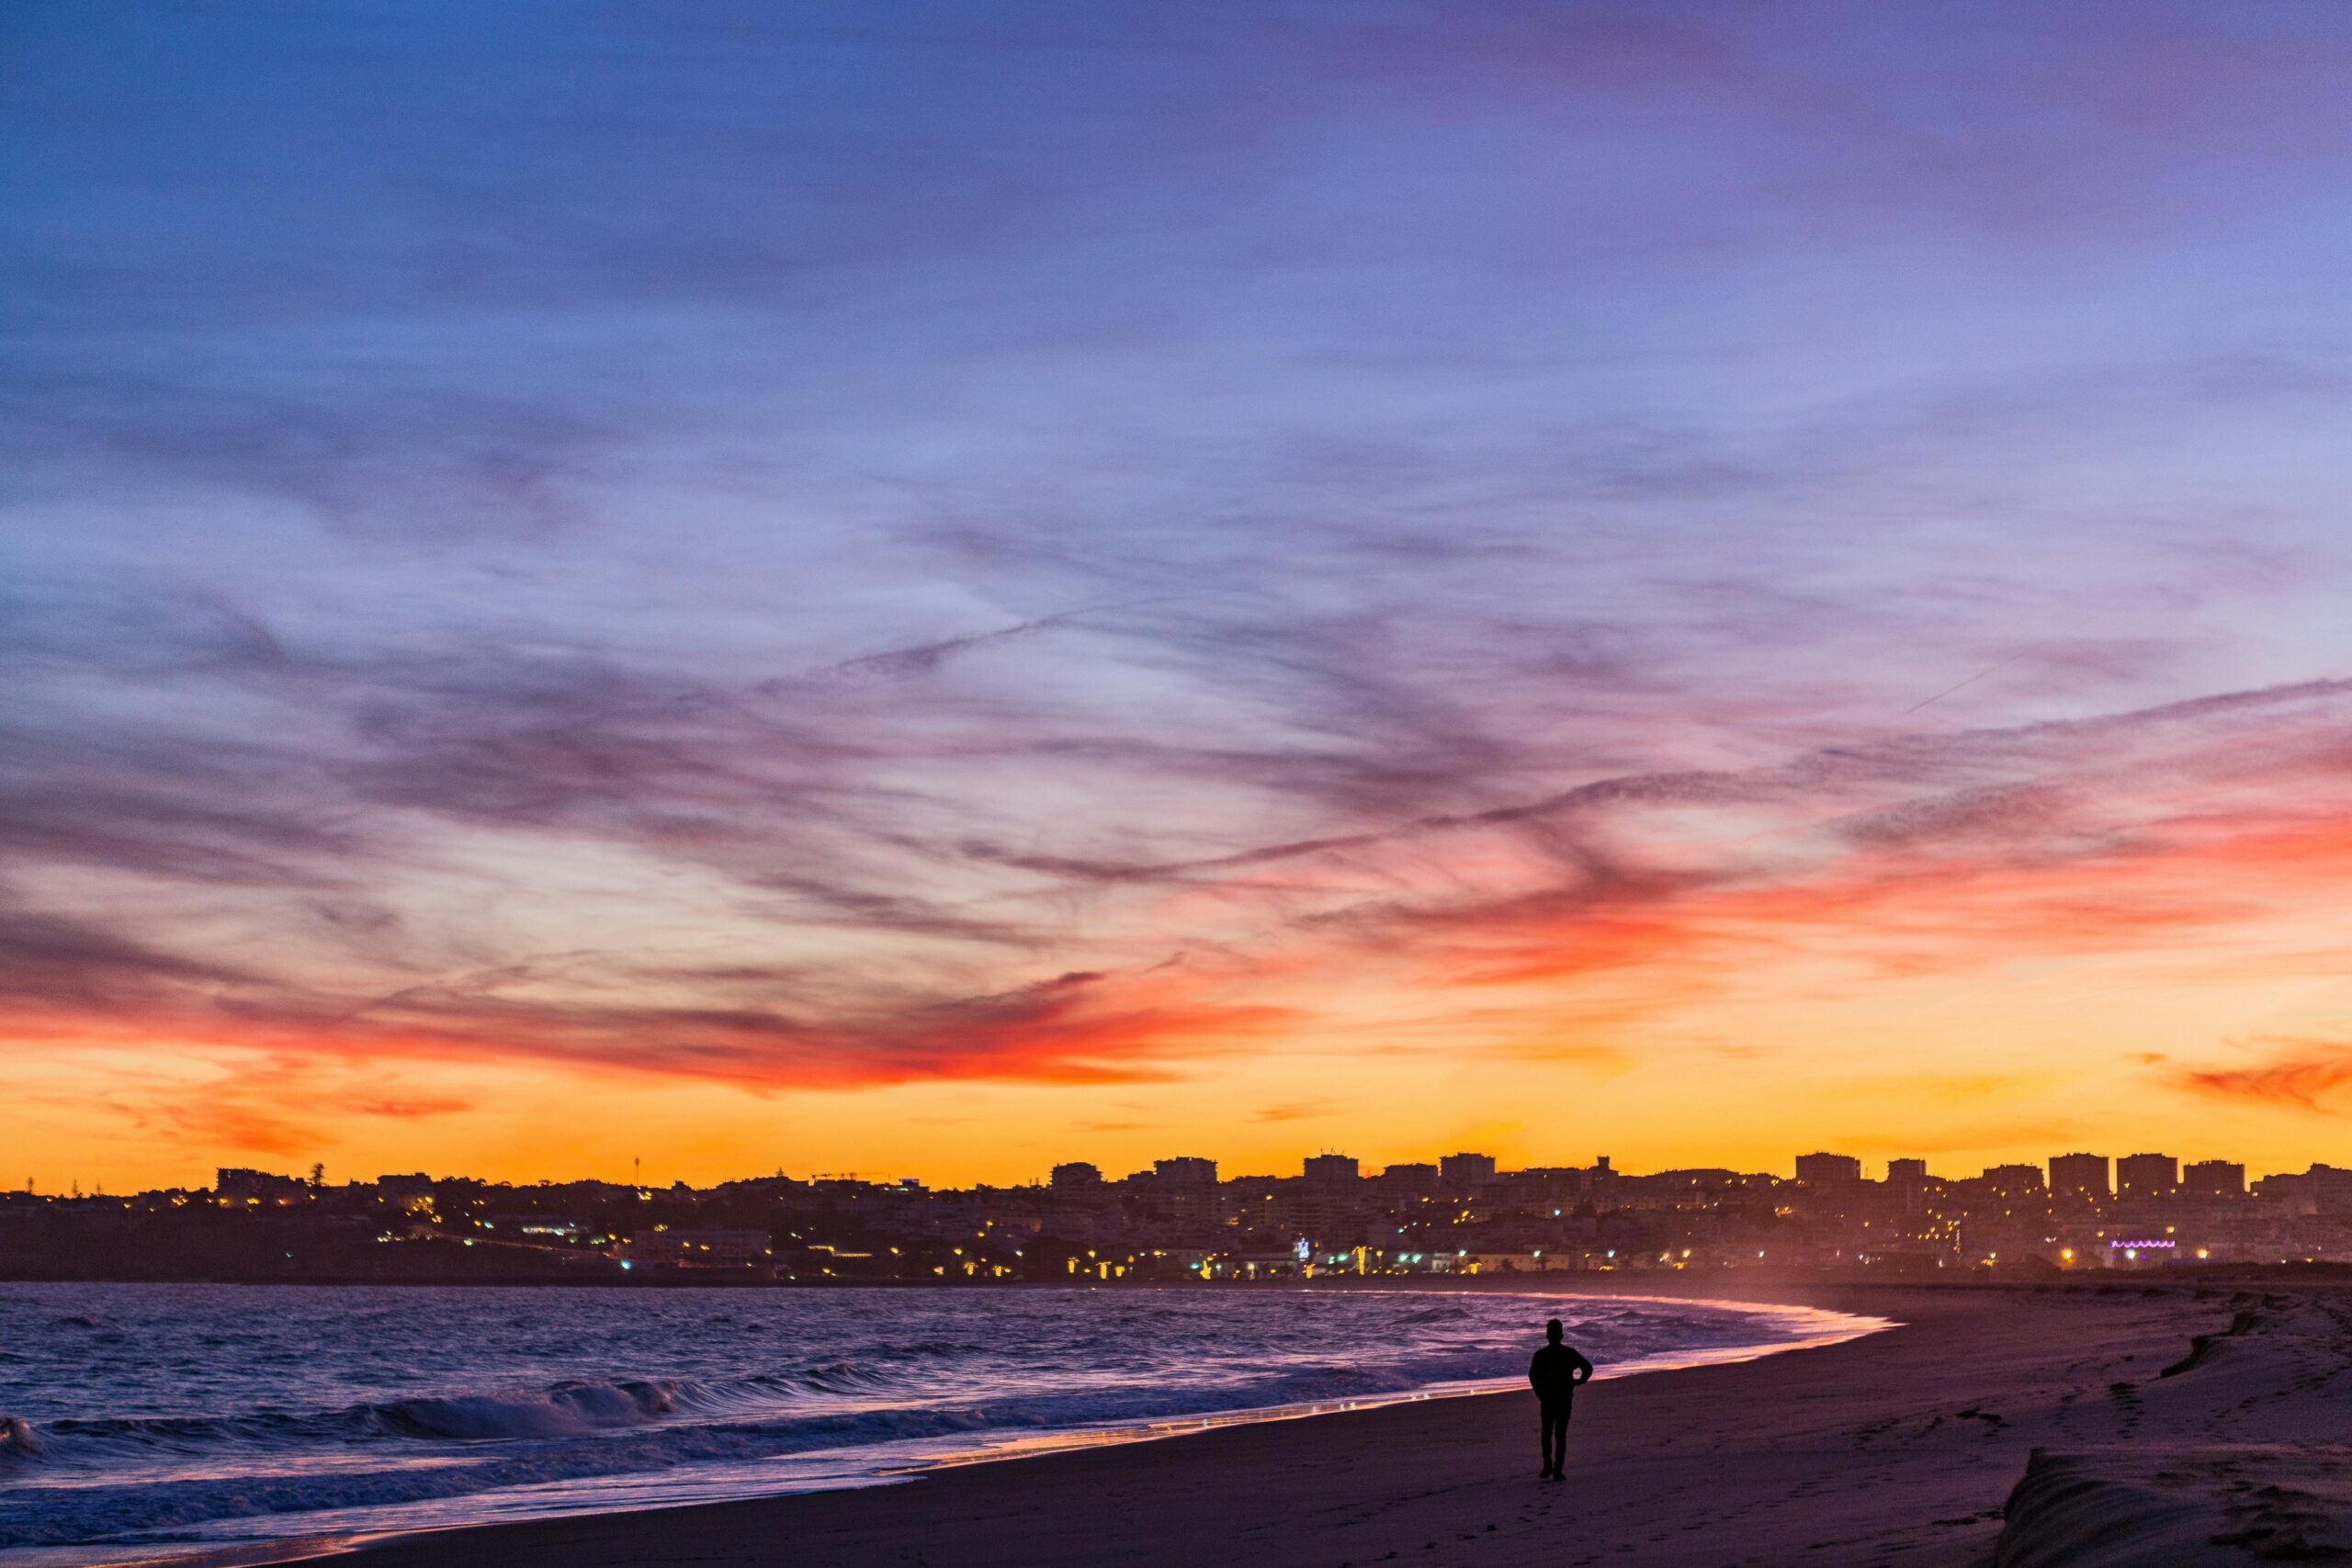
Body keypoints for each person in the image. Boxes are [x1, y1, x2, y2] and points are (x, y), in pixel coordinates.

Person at [1527, 1317, 1594, 1480]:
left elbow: (1533, 1377)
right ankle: (1557, 1470)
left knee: (1547, 1433)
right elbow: (1588, 1368)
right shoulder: (1569, 1353)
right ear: (1561, 1335)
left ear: (1547, 1336)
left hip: (1548, 1399)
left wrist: (1540, 1393)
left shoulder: (1541, 1355)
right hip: (1564, 1398)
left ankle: (1547, 1465)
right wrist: (1579, 1381)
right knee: (1560, 1434)